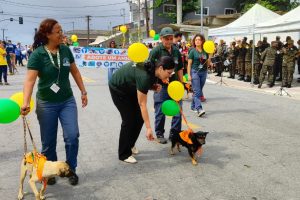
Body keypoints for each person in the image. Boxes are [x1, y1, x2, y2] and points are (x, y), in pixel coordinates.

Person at [21, 18, 88, 186]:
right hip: (46, 104)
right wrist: (26, 102)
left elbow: (75, 72)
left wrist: (83, 91)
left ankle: (70, 169)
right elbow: (30, 81)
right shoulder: (38, 55)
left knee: (72, 136)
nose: (61, 34)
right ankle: (50, 170)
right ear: (47, 34)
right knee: (48, 142)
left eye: (61, 31)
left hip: (67, 101)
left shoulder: (65, 50)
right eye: (58, 32)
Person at [109, 56, 175, 163]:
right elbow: (142, 104)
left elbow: (141, 83)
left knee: (139, 119)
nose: (169, 76)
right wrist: (149, 128)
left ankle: (130, 145)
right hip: (118, 88)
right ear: (161, 68)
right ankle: (123, 154)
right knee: (129, 120)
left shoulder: (154, 69)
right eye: (169, 73)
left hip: (130, 87)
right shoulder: (145, 76)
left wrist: (152, 87)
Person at [148, 27, 184, 144]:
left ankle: (175, 133)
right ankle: (159, 133)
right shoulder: (156, 51)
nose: (168, 41)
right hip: (160, 85)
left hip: (174, 85)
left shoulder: (176, 51)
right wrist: (159, 78)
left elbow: (179, 68)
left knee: (177, 110)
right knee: (160, 110)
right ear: (161, 39)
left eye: (170, 38)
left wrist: (181, 83)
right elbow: (150, 68)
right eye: (166, 39)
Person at [187, 34, 209, 117]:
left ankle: (193, 106)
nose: (197, 41)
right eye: (196, 40)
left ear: (202, 41)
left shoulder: (205, 51)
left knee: (198, 90)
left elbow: (208, 63)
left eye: (199, 39)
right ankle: (199, 108)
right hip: (195, 72)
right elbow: (189, 64)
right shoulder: (192, 51)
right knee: (198, 91)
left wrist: (210, 56)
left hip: (204, 72)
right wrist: (189, 75)